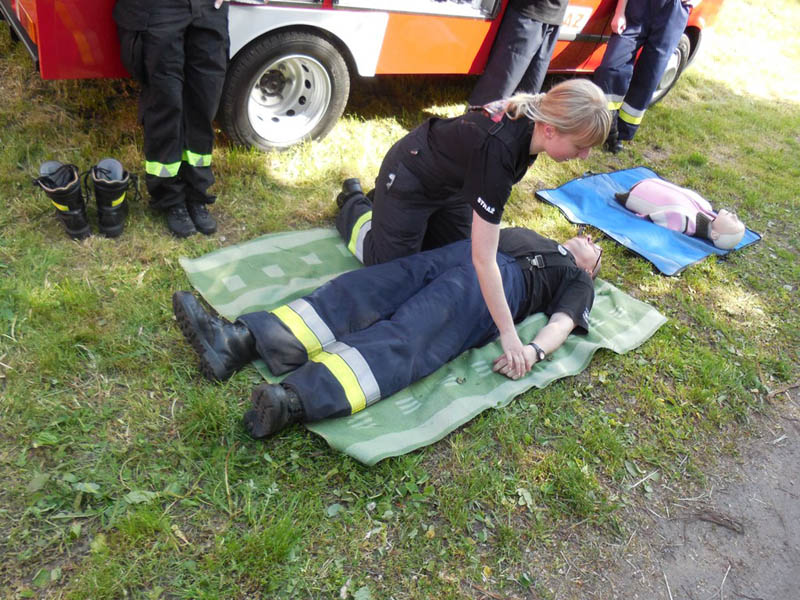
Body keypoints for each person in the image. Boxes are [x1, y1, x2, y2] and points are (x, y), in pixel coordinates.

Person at [172, 227, 603, 438]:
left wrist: (534, 351)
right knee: (362, 290)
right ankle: (237, 343)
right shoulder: (537, 235)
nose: (587, 237)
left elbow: (562, 323)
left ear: (591, 268)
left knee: (413, 333)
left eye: (595, 245)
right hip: (467, 253)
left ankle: (294, 400)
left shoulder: (577, 279)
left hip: (500, 287)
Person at [335, 78, 610, 388]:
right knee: (389, 271)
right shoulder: (501, 149)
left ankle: (388, 209)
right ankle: (355, 205)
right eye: (581, 146)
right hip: (412, 174)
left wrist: (534, 350)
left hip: (454, 188)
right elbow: (484, 259)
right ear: (550, 130)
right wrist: (508, 333)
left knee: (444, 263)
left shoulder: (533, 126)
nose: (585, 156)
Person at [113, 0, 230, 237]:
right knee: (165, 103)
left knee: (204, 99)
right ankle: (170, 198)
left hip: (208, 8)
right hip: (158, 8)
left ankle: (196, 193)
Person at [592, 0, 692, 153]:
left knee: (649, 76)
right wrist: (620, 12)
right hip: (639, 6)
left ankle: (620, 134)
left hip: (674, 11)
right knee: (611, 66)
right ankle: (607, 121)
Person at [468, 0, 570, 106]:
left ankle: (508, 115)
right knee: (500, 86)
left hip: (554, 17)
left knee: (528, 94)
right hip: (528, 14)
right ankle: (478, 115)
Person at [615, 178, 745, 249]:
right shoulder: (706, 207)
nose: (734, 216)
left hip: (640, 192)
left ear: (715, 234)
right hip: (652, 183)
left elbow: (654, 217)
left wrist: (627, 200)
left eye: (733, 222)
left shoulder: (685, 222)